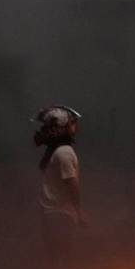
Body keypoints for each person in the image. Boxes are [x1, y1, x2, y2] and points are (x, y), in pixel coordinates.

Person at [32, 105, 85, 260]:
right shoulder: (64, 152)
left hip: (51, 215)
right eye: (72, 123)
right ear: (63, 127)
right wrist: (79, 211)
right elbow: (72, 184)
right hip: (61, 216)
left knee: (55, 259)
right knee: (63, 259)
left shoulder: (54, 152)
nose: (75, 127)